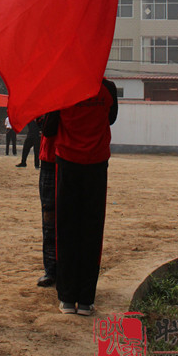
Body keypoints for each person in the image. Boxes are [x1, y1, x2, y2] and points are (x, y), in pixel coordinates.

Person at [52, 79, 118, 317]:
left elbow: (49, 128)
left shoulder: (62, 87)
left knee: (66, 228)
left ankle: (67, 298)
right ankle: (86, 299)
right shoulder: (108, 88)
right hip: (97, 163)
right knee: (92, 229)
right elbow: (111, 119)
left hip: (68, 162)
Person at [36, 117, 57, 287]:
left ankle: (52, 270)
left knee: (50, 219)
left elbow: (48, 128)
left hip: (53, 158)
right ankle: (57, 269)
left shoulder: (54, 98)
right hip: (71, 159)